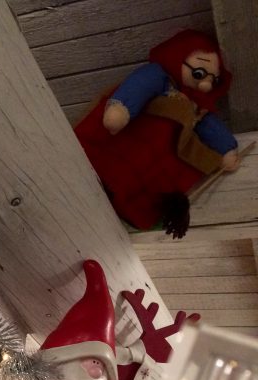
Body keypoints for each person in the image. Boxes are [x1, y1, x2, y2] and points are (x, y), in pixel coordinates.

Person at [74, 30, 240, 239]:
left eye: (212, 80)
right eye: (199, 73)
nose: (205, 84)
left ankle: (134, 205)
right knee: (110, 165)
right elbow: (139, 86)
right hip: (131, 137)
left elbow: (210, 126)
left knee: (154, 177)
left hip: (160, 153)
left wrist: (226, 149)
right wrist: (121, 109)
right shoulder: (159, 77)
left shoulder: (197, 106)